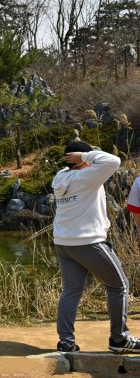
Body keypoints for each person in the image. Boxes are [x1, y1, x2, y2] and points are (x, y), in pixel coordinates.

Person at [52, 141, 140, 353]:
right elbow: (114, 160)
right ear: (80, 159)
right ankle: (119, 339)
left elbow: (103, 159)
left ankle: (66, 343)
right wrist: (86, 156)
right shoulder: (86, 177)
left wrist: (86, 156)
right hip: (89, 242)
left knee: (71, 291)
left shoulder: (60, 177)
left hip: (64, 243)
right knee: (119, 286)